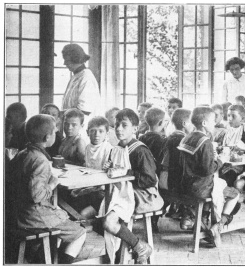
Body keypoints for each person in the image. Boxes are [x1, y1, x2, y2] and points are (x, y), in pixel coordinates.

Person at [8, 114, 86, 264]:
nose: (57, 134)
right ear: (47, 138)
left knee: (61, 220)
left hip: (18, 212)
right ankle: (62, 263)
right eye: (54, 132)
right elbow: (37, 196)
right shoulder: (40, 160)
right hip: (33, 217)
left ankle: (43, 259)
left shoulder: (23, 153)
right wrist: (52, 184)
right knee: (80, 232)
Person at [102, 108, 164, 264]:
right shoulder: (115, 148)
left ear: (135, 129)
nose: (118, 129)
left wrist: (127, 173)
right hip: (121, 191)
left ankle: (139, 246)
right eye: (116, 125)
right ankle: (114, 255)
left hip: (142, 194)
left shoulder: (139, 150)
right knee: (95, 210)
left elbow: (149, 179)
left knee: (108, 221)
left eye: (124, 125)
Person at [178, 107, 240, 247]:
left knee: (220, 184)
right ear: (205, 123)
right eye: (213, 121)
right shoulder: (204, 142)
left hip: (186, 185)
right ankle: (218, 225)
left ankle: (205, 223)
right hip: (201, 188)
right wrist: (221, 160)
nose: (215, 123)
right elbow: (208, 170)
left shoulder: (186, 137)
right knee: (235, 194)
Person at [160, 109, 193, 224]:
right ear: (185, 124)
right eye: (192, 122)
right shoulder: (184, 140)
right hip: (176, 183)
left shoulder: (168, 137)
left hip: (164, 179)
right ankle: (187, 217)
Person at [78, 116, 113, 219]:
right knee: (72, 201)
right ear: (87, 132)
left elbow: (105, 178)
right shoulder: (88, 147)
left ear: (107, 134)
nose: (97, 134)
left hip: (102, 191)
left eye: (101, 131)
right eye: (93, 131)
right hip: (91, 187)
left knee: (82, 214)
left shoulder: (108, 148)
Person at [61, 44, 101, 120]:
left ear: (76, 59)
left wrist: (60, 114)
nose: (64, 63)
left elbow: (84, 110)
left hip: (81, 124)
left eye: (67, 60)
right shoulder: (77, 76)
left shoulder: (86, 78)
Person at [218, 105, 245, 187]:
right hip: (226, 163)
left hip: (240, 166)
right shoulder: (227, 130)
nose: (230, 119)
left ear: (242, 118)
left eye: (233, 116)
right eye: (228, 116)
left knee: (228, 177)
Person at [139, 107, 167, 175]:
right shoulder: (163, 140)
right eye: (165, 120)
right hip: (156, 174)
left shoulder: (141, 138)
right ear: (160, 123)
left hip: (143, 172)